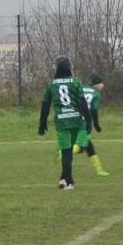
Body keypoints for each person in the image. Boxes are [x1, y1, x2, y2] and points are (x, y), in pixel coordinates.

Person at [38, 56, 91, 190]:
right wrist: (88, 119)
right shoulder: (76, 82)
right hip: (76, 120)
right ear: (69, 67)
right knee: (68, 153)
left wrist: (42, 123)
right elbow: (82, 102)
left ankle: (66, 180)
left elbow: (45, 104)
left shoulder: (52, 84)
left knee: (66, 152)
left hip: (62, 121)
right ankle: (66, 180)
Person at [80, 74, 110, 177]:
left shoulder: (82, 89)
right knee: (82, 146)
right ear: (96, 85)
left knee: (89, 146)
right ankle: (63, 152)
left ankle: (99, 170)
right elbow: (94, 110)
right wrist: (96, 125)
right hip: (84, 123)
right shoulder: (96, 94)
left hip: (75, 119)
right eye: (101, 83)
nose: (103, 85)